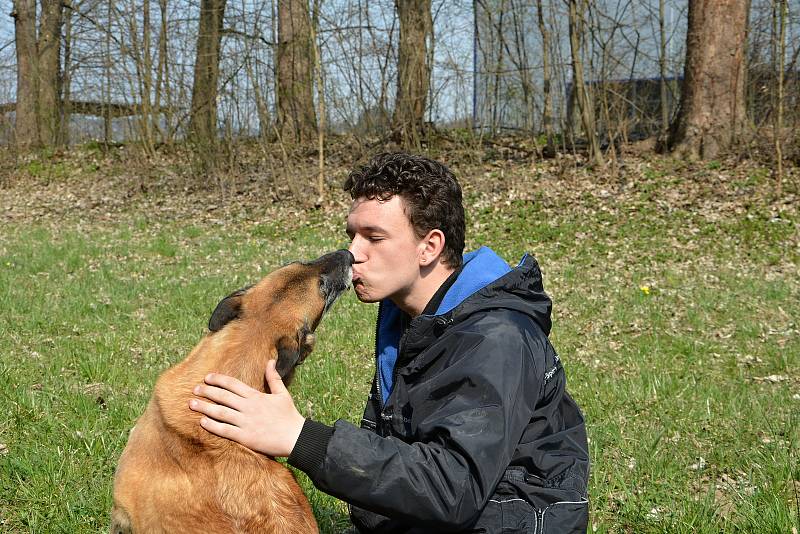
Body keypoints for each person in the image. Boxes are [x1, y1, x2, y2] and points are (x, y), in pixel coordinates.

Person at [189, 152, 590, 533]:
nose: (352, 253)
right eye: (352, 234)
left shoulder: (497, 338)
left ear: (429, 247)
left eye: (374, 237)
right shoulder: (412, 314)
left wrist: (299, 437)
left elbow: (454, 489)